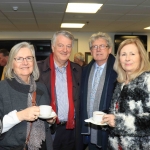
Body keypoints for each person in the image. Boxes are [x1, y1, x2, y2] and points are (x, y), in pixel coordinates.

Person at [0, 42, 53, 149]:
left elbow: (47, 126)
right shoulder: (2, 88)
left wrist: (51, 121)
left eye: (29, 58)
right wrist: (20, 115)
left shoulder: (41, 88)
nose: (25, 62)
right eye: (19, 58)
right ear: (11, 63)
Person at [102, 38, 150, 150]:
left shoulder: (147, 80)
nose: (127, 58)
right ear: (119, 59)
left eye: (132, 54)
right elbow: (118, 112)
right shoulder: (121, 83)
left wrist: (119, 122)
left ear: (141, 56)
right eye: (123, 54)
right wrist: (106, 117)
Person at [38, 30, 82, 150]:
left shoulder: (77, 70)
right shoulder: (38, 70)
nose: (65, 50)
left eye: (68, 46)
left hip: (71, 129)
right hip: (48, 129)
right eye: (61, 45)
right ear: (53, 47)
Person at [80, 32, 117, 150]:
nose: (98, 49)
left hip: (109, 128)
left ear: (109, 49)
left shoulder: (118, 70)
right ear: (91, 51)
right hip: (90, 125)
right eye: (94, 47)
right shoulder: (85, 70)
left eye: (102, 46)